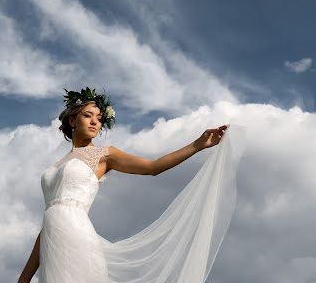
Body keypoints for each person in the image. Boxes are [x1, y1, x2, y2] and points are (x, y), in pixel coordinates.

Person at [17, 87, 244, 283]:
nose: (95, 121)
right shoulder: (58, 164)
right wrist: (25, 277)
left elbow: (152, 167)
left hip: (78, 239)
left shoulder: (105, 155)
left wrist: (197, 144)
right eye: (88, 115)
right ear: (71, 120)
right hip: (52, 247)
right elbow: (49, 222)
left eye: (99, 117)